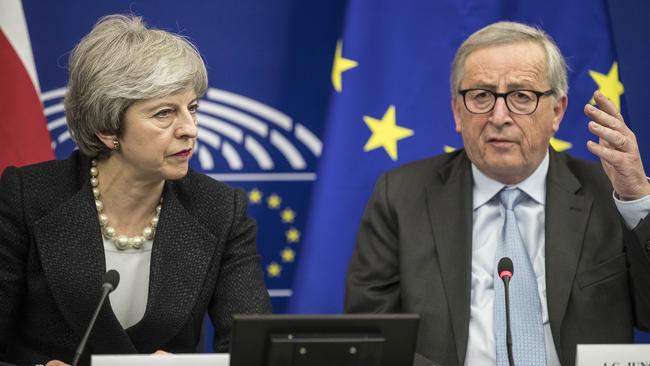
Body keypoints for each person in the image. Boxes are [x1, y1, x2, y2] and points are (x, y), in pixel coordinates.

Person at [345, 21, 650, 366]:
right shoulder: (400, 196)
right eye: (481, 96)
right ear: (457, 112)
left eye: (522, 96)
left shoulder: (608, 193)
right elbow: (373, 336)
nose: (499, 116)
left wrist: (637, 200)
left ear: (557, 111)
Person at [0, 14, 271, 366]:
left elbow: (252, 352)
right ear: (107, 129)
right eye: (164, 114)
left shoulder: (220, 209)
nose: (190, 129)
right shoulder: (28, 197)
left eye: (192, 109)